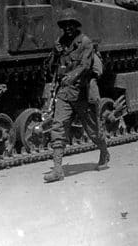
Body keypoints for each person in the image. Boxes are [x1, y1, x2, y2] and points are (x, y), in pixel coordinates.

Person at [42, 10, 109, 182]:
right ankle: (58, 170)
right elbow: (50, 69)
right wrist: (55, 54)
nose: (68, 28)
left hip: (82, 93)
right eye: (65, 25)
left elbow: (86, 66)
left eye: (70, 25)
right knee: (58, 127)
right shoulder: (60, 43)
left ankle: (104, 151)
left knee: (93, 131)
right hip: (65, 94)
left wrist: (71, 77)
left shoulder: (85, 42)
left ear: (76, 25)